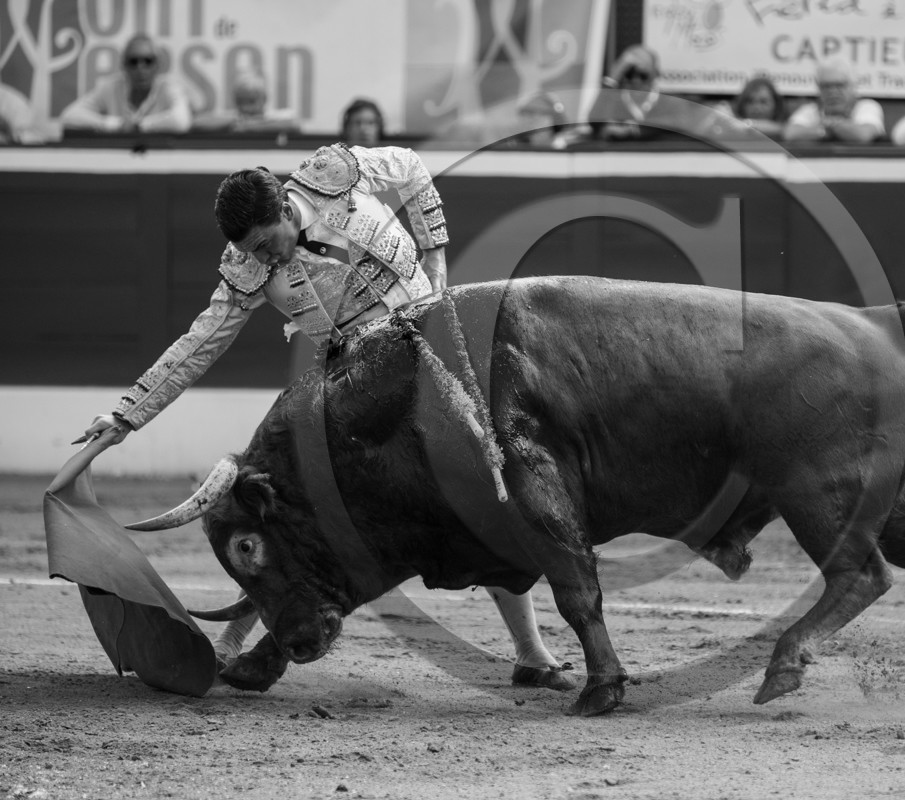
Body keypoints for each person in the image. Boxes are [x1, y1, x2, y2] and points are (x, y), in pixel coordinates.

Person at [75, 142, 571, 691]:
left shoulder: (333, 174)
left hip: (437, 358)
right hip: (359, 388)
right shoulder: (247, 267)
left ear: (285, 211)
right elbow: (199, 344)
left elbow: (409, 165)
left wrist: (434, 253)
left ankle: (531, 651)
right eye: (253, 253)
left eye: (266, 245)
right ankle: (235, 641)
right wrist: (125, 417)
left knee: (481, 484)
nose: (265, 260)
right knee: (294, 514)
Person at [60, 33, 191, 133]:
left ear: (158, 65)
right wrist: (116, 124)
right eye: (133, 62)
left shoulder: (169, 88)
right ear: (124, 66)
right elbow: (69, 117)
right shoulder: (111, 87)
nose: (141, 68)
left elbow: (181, 121)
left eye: (148, 61)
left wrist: (139, 125)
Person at [586, 45, 704, 141]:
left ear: (655, 74)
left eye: (643, 75)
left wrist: (631, 130)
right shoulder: (615, 101)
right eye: (629, 73)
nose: (635, 80)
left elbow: (679, 121)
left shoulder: (670, 102)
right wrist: (612, 79)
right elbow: (595, 123)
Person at [782, 61, 884, 144]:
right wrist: (825, 131)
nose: (832, 92)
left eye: (839, 85)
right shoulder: (810, 110)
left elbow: (863, 135)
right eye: (826, 86)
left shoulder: (867, 106)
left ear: (853, 86)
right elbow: (790, 134)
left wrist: (832, 125)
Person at [191, 70, 299, 134]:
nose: (246, 108)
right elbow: (197, 123)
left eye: (251, 101)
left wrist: (250, 126)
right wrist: (235, 122)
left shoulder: (273, 116)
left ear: (264, 99)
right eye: (241, 101)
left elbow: (293, 123)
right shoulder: (234, 118)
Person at [710, 75, 789, 140]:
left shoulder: (788, 128)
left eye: (763, 102)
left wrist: (746, 125)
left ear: (776, 105)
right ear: (742, 105)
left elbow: (782, 129)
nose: (757, 107)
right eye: (750, 101)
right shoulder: (732, 124)